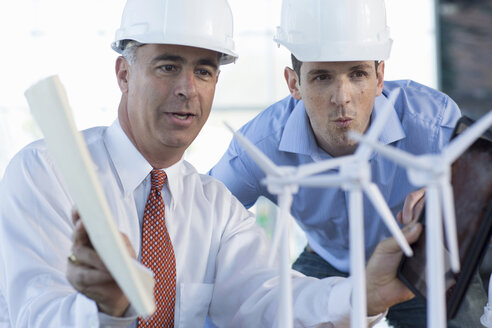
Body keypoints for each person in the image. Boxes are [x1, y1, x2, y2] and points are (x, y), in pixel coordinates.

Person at [0, 0, 424, 327]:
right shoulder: (46, 173)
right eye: (168, 66)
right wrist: (106, 311)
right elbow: (33, 314)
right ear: (124, 74)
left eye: (203, 71)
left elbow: (273, 301)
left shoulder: (214, 208)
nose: (187, 89)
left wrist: (364, 295)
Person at [209, 0, 487, 327]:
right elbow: (204, 220)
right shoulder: (258, 147)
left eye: (357, 74)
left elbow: (483, 199)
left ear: (380, 76)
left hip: (417, 261)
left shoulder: (434, 124)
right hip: (327, 263)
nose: (342, 97)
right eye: (322, 77)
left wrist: (450, 202)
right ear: (293, 83)